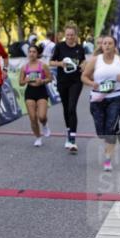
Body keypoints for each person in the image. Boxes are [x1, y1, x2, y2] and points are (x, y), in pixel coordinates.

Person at [82, 35, 120, 171]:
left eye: (110, 43)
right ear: (102, 46)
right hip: (97, 98)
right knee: (101, 132)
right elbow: (84, 76)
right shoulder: (95, 60)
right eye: (104, 43)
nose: (107, 45)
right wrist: (92, 83)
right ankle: (117, 130)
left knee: (109, 130)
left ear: (114, 46)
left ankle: (107, 159)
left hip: (116, 98)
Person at [49, 23, 87, 153]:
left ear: (76, 35)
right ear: (65, 36)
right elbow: (51, 62)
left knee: (72, 107)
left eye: (72, 35)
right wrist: (61, 63)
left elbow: (83, 61)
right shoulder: (59, 47)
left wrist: (83, 65)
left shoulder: (80, 48)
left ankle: (72, 139)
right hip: (62, 82)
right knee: (66, 108)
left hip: (76, 81)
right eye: (67, 35)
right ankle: (68, 130)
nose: (70, 37)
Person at [20, 43, 52, 146]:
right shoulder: (24, 67)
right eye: (30, 52)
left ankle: (44, 124)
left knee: (41, 116)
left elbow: (50, 78)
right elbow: (20, 82)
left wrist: (42, 81)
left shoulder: (43, 65)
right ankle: (38, 137)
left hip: (41, 91)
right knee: (33, 117)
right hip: (30, 92)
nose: (32, 54)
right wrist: (26, 80)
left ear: (37, 54)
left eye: (34, 52)